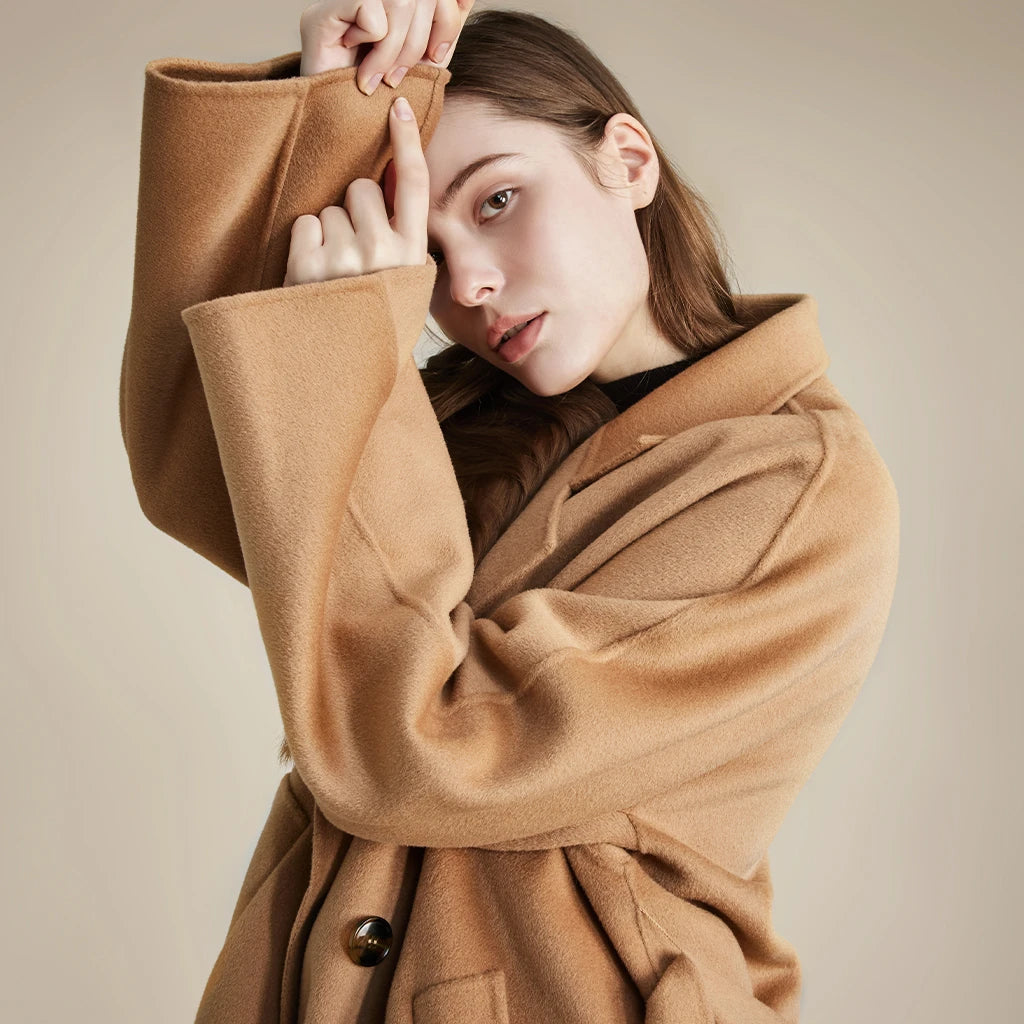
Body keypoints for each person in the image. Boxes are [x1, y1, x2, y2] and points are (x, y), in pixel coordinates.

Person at [118, 4, 900, 1022]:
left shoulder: (795, 485)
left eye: (496, 200)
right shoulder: (460, 424)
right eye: (426, 251)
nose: (471, 285)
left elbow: (421, 746)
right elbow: (192, 457)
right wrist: (330, 111)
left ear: (628, 161)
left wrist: (344, 343)